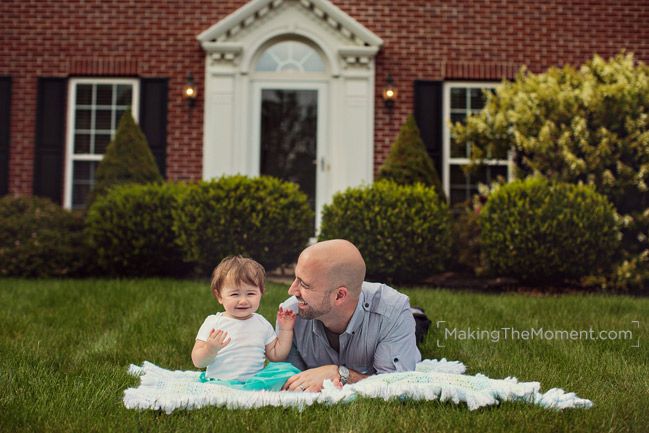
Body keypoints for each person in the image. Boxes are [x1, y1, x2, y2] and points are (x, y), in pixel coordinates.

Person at [279, 239, 421, 392]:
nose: (292, 291)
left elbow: (396, 384)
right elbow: (292, 380)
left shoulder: (393, 312)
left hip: (392, 323)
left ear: (340, 295)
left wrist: (339, 374)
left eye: (304, 285)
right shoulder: (291, 315)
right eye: (296, 278)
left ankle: (417, 315)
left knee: (418, 326)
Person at [191, 255, 300, 391]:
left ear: (261, 293)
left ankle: (250, 388)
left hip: (254, 381)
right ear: (219, 296)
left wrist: (285, 330)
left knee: (286, 369)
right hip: (221, 382)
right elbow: (197, 361)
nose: (243, 301)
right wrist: (209, 350)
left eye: (250, 294)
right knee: (220, 389)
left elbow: (276, 356)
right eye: (235, 294)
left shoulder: (261, 323)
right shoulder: (214, 322)